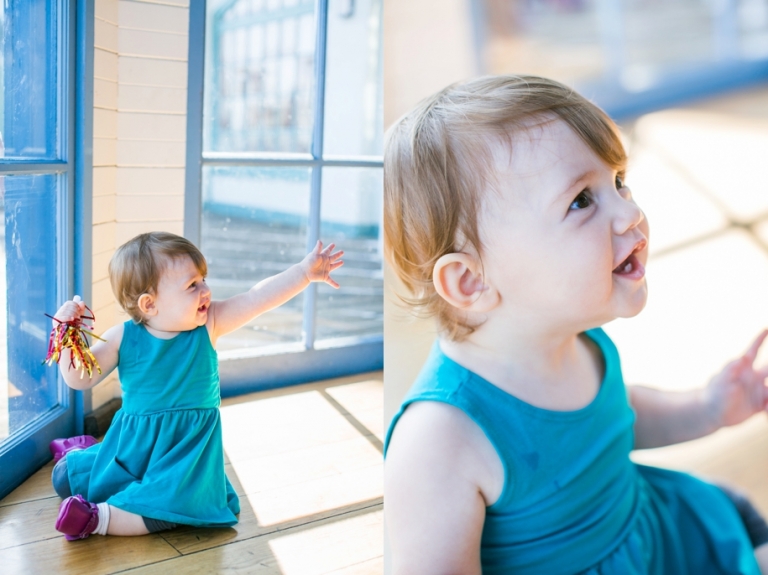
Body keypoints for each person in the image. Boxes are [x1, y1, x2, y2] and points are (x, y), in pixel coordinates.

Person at [383, 75, 768, 574]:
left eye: (619, 180)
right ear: (470, 280)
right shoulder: (439, 440)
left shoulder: (575, 336)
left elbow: (613, 418)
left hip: (667, 534)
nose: (630, 212)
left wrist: (706, 408)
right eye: (581, 200)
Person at [49, 231, 343, 540]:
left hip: (188, 454)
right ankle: (80, 453)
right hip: (136, 448)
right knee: (64, 478)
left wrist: (303, 273)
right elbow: (79, 377)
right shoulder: (122, 336)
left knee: (170, 505)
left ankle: (95, 520)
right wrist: (64, 331)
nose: (206, 290)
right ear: (149, 304)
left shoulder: (210, 323)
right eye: (193, 285)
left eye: (203, 279)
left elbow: (257, 298)